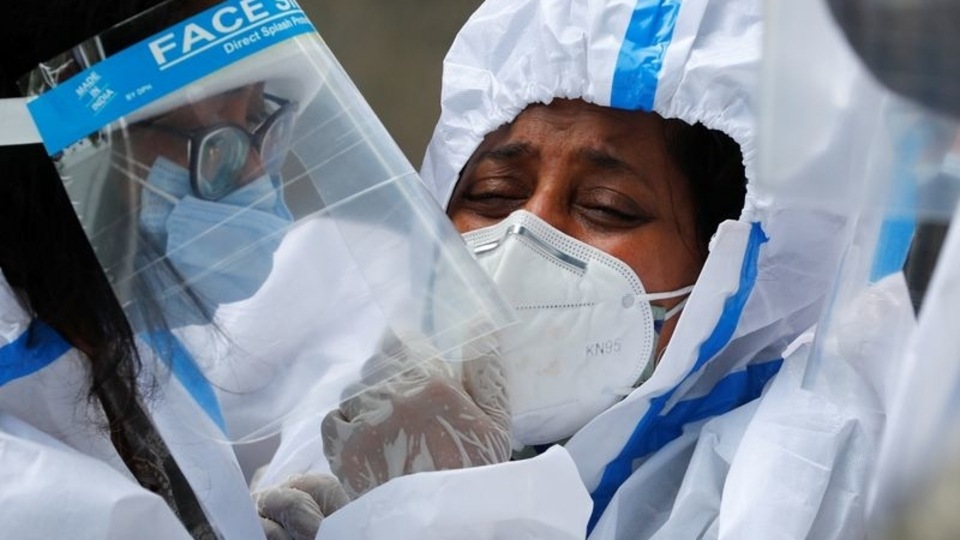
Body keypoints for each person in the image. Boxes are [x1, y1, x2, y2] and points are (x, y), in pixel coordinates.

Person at [306, 0, 914, 538]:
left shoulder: (798, 484)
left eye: (605, 207)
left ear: (733, 273)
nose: (526, 233)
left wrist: (449, 519)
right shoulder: (347, 411)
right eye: (491, 194)